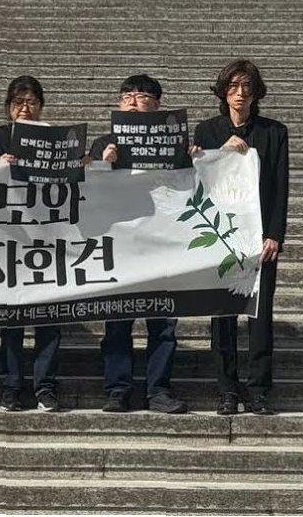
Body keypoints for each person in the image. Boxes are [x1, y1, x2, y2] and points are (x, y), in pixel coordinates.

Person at [194, 60, 288, 417]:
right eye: (233, 86)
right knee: (222, 314)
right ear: (223, 92)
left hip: (259, 238)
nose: (240, 93)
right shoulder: (207, 131)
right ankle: (226, 388)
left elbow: (280, 186)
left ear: (256, 92)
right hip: (220, 236)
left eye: (247, 86)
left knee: (260, 316)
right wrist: (217, 151)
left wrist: (274, 235)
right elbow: (196, 177)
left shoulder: (274, 133)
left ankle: (260, 389)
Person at [89, 74, 188, 415]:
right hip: (120, 246)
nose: (132, 101)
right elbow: (90, 192)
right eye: (126, 95)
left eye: (142, 96)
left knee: (163, 323)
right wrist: (103, 163)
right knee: (117, 322)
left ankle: (158, 389)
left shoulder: (174, 142)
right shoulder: (104, 142)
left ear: (157, 105)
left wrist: (195, 157)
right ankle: (118, 389)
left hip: (162, 243)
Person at [0, 75, 64, 413]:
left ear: (41, 106)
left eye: (31, 102)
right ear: (8, 107)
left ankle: (45, 387)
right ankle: (12, 387)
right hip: (10, 239)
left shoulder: (55, 138)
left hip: (49, 236)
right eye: (18, 102)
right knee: (12, 319)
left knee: (49, 318)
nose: (25, 108)